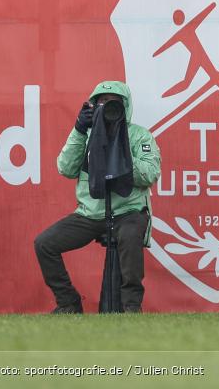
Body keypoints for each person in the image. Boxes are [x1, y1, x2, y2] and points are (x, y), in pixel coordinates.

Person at [34, 81, 161, 314]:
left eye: (114, 102)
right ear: (93, 105)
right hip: (90, 213)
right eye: (101, 101)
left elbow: (150, 173)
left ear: (125, 106)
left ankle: (131, 306)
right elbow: (65, 168)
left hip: (128, 211)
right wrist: (79, 130)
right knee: (44, 244)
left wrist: (119, 159)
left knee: (130, 235)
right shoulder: (86, 134)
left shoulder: (139, 136)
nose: (107, 106)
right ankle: (69, 303)